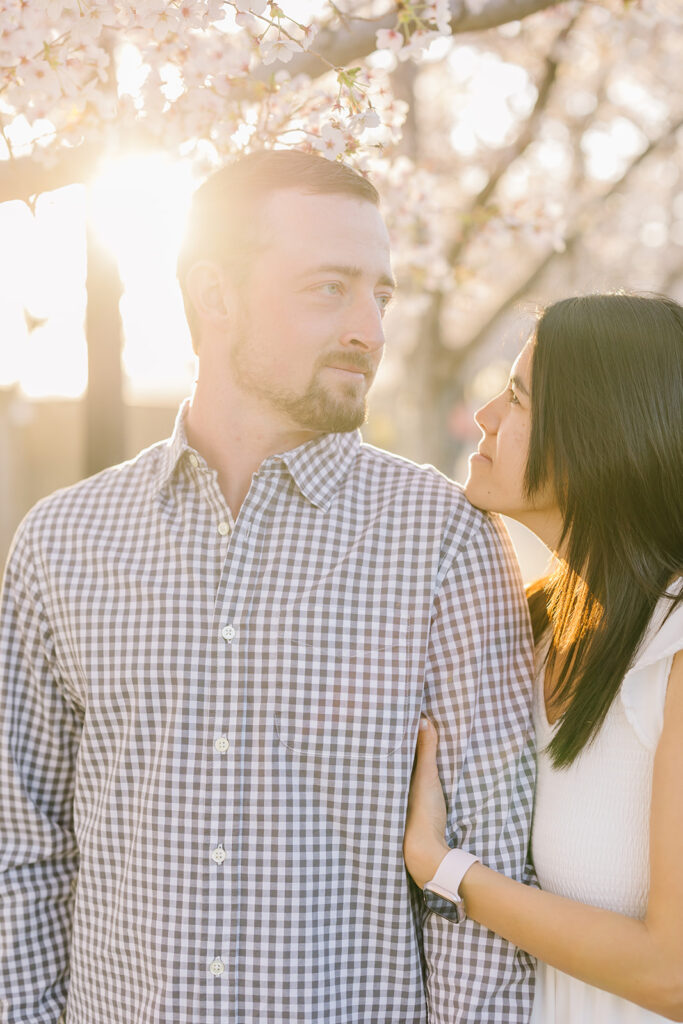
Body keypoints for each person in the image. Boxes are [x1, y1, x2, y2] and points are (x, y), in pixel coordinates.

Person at [0, 150, 536, 1024]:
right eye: (330, 288)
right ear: (216, 295)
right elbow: (23, 847)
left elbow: (489, 875)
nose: (369, 327)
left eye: (382, 294)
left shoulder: (442, 540)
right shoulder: (63, 542)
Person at [404, 292, 683, 1023]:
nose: (486, 416)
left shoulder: (672, 658)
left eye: (518, 399)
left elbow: (673, 973)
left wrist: (445, 870)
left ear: (600, 433)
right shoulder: (523, 629)